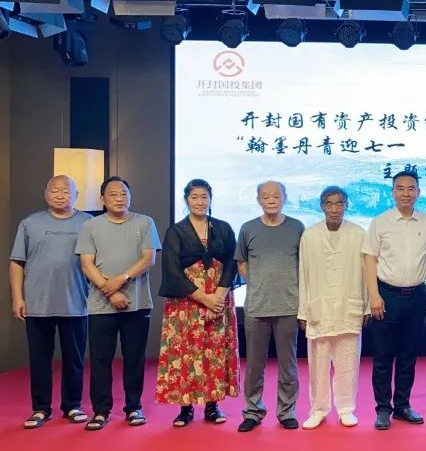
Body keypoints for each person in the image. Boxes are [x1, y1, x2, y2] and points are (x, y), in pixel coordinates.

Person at [75, 176, 161, 431]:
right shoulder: (90, 226)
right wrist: (110, 291)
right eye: (113, 194)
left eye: (124, 193)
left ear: (130, 197)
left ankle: (134, 407)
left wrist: (121, 278)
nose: (119, 198)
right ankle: (101, 411)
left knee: (134, 358)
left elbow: (149, 258)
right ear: (102, 199)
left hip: (137, 303)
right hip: (101, 305)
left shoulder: (145, 222)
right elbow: (86, 264)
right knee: (100, 360)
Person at [9, 175, 93, 429]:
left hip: (76, 302)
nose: (60, 195)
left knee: (74, 359)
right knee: (39, 360)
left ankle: (72, 405)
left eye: (66, 191)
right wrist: (18, 297)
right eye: (55, 190)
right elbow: (17, 262)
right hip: (38, 303)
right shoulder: (30, 223)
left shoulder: (88, 223)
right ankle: (41, 408)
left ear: (76, 196)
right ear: (46, 194)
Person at [156, 179, 240, 427]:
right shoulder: (176, 231)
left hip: (219, 299)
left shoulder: (223, 228)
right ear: (186, 200)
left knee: (215, 351)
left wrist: (218, 299)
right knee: (186, 352)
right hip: (187, 302)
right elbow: (172, 271)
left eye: (204, 197)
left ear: (210, 198)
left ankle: (213, 405)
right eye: (194, 197)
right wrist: (204, 299)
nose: (200, 202)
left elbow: (232, 264)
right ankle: (185, 408)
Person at [363, 171, 426, 430]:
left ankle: (403, 406)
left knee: (408, 355)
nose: (406, 193)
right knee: (383, 356)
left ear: (418, 192)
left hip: (416, 297)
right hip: (386, 296)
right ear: (393, 192)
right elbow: (369, 259)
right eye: (401, 188)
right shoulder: (380, 222)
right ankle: (383, 408)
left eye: (411, 188)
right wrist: (374, 296)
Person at [235, 181, 305, 432]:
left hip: (288, 305)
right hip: (257, 306)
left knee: (289, 365)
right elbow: (241, 263)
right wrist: (259, 281)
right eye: (266, 196)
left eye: (276, 195)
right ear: (258, 200)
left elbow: (304, 264)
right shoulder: (248, 228)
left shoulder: (297, 227)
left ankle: (287, 411)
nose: (272, 200)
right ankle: (253, 412)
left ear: (284, 198)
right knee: (254, 365)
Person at [298, 186, 369, 429]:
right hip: (319, 307)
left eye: (339, 203)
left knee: (348, 361)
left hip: (349, 305)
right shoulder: (310, 235)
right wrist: (303, 311)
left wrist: (366, 307)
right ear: (322, 206)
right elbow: (303, 274)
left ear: (347, 205)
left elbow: (366, 273)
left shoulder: (358, 233)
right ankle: (318, 409)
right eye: (329, 203)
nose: (334, 208)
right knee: (318, 363)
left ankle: (346, 408)